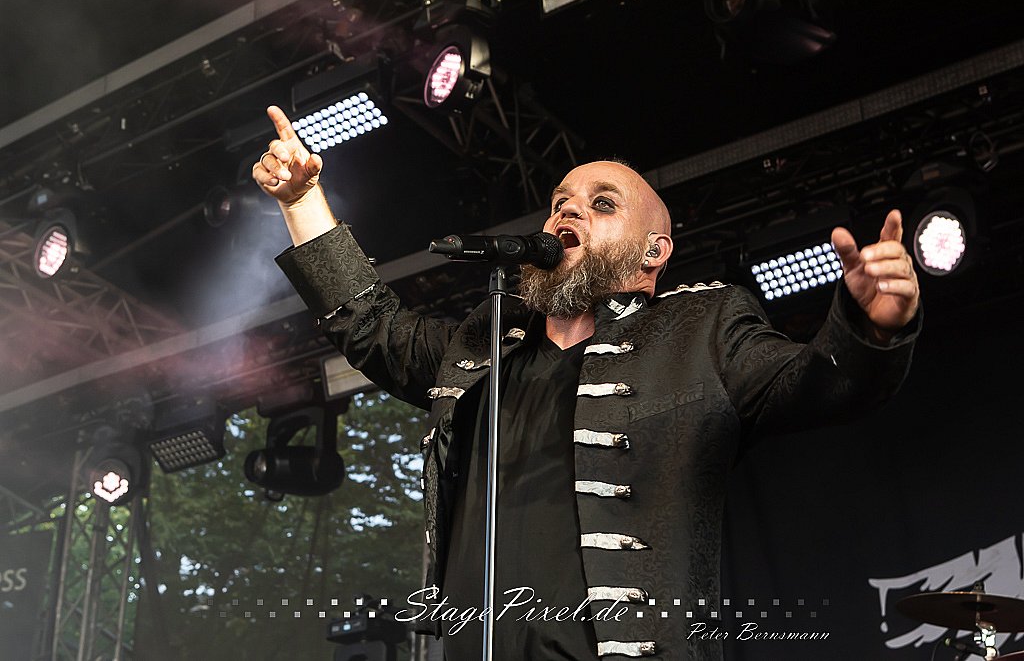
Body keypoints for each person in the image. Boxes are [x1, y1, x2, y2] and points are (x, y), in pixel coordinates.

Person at [253, 105, 920, 660]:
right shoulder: (482, 345)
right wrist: (303, 200)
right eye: (559, 205)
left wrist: (868, 327)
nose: (566, 215)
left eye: (602, 204)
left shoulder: (700, 328)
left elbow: (816, 383)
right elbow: (373, 325)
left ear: (654, 252)